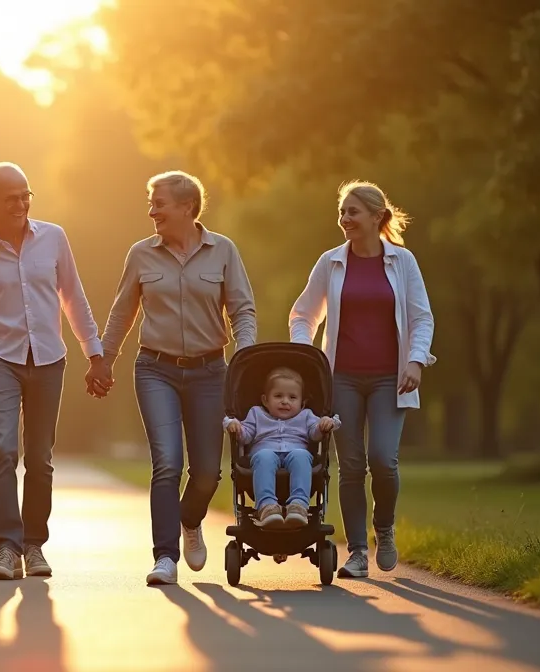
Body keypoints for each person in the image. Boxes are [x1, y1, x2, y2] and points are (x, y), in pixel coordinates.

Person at [96, 170, 257, 586]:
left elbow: (242, 310)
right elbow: (121, 311)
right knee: (167, 462)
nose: (152, 211)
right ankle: (165, 556)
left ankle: (189, 519)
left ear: (187, 207)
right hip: (155, 369)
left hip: (209, 372)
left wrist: (245, 357)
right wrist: (104, 358)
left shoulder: (223, 251)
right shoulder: (141, 254)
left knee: (207, 472)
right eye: (151, 204)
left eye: (159, 203)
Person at [0, 162, 104, 581]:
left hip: (49, 358)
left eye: (25, 195)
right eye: (11, 197)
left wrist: (96, 353)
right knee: (3, 450)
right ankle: (7, 549)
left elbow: (74, 297)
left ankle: (34, 546)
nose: (20, 204)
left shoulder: (53, 238)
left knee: (39, 457)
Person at [289, 180, 435, 579]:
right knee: (351, 466)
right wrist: (308, 356)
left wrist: (416, 362)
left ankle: (383, 530)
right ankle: (356, 551)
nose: (345, 219)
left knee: (383, 461)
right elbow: (303, 315)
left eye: (353, 212)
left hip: (391, 379)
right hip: (343, 380)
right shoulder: (331, 262)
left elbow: (421, 317)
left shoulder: (402, 262)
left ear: (376, 217)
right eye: (342, 212)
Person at [224, 367, 340, 528]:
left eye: (292, 397)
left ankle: (299, 505)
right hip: (264, 452)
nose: (285, 401)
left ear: (302, 402)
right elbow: (246, 435)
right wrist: (236, 427)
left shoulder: (306, 415)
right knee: (264, 456)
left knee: (301, 455)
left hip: (296, 451)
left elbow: (315, 434)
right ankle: (267, 506)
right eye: (278, 396)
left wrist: (323, 425)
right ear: (265, 400)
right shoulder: (256, 413)